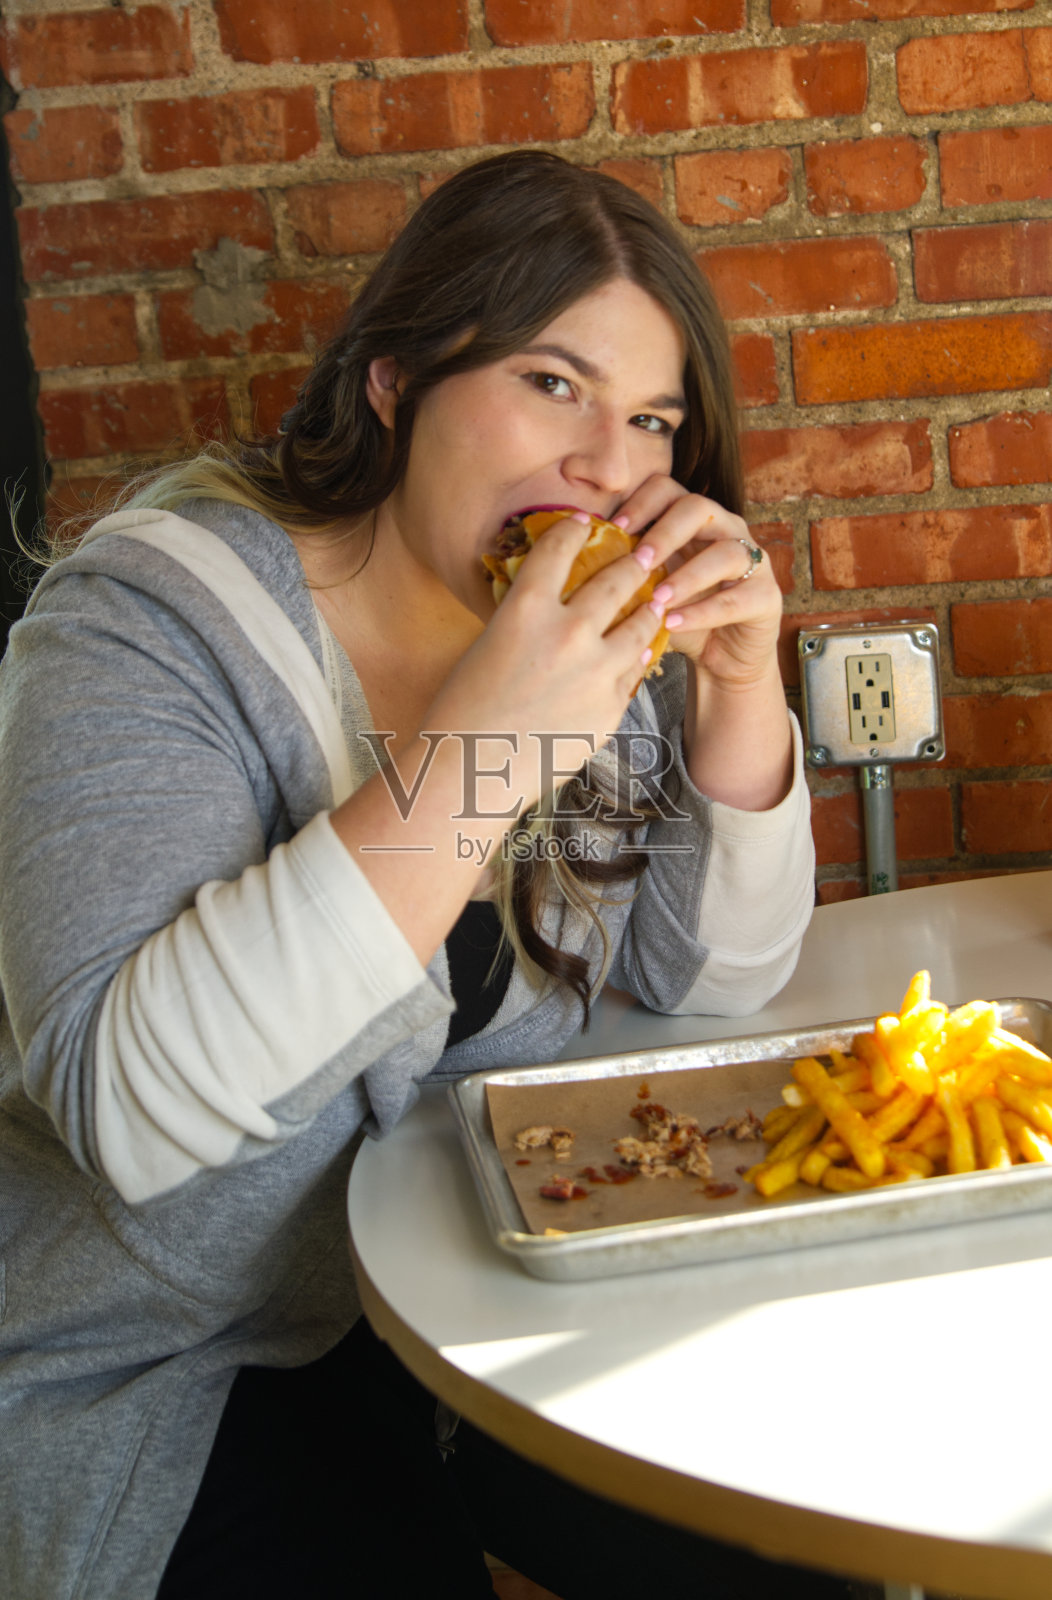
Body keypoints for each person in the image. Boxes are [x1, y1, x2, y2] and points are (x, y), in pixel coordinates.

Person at [0, 150, 834, 1600]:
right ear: (393, 382)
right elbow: (128, 1111)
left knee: (797, 1552)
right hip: (179, 1362)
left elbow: (712, 979)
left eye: (651, 419)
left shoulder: (574, 629)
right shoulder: (145, 624)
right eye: (552, 383)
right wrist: (486, 750)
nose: (609, 467)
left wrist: (743, 685)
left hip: (490, 1302)